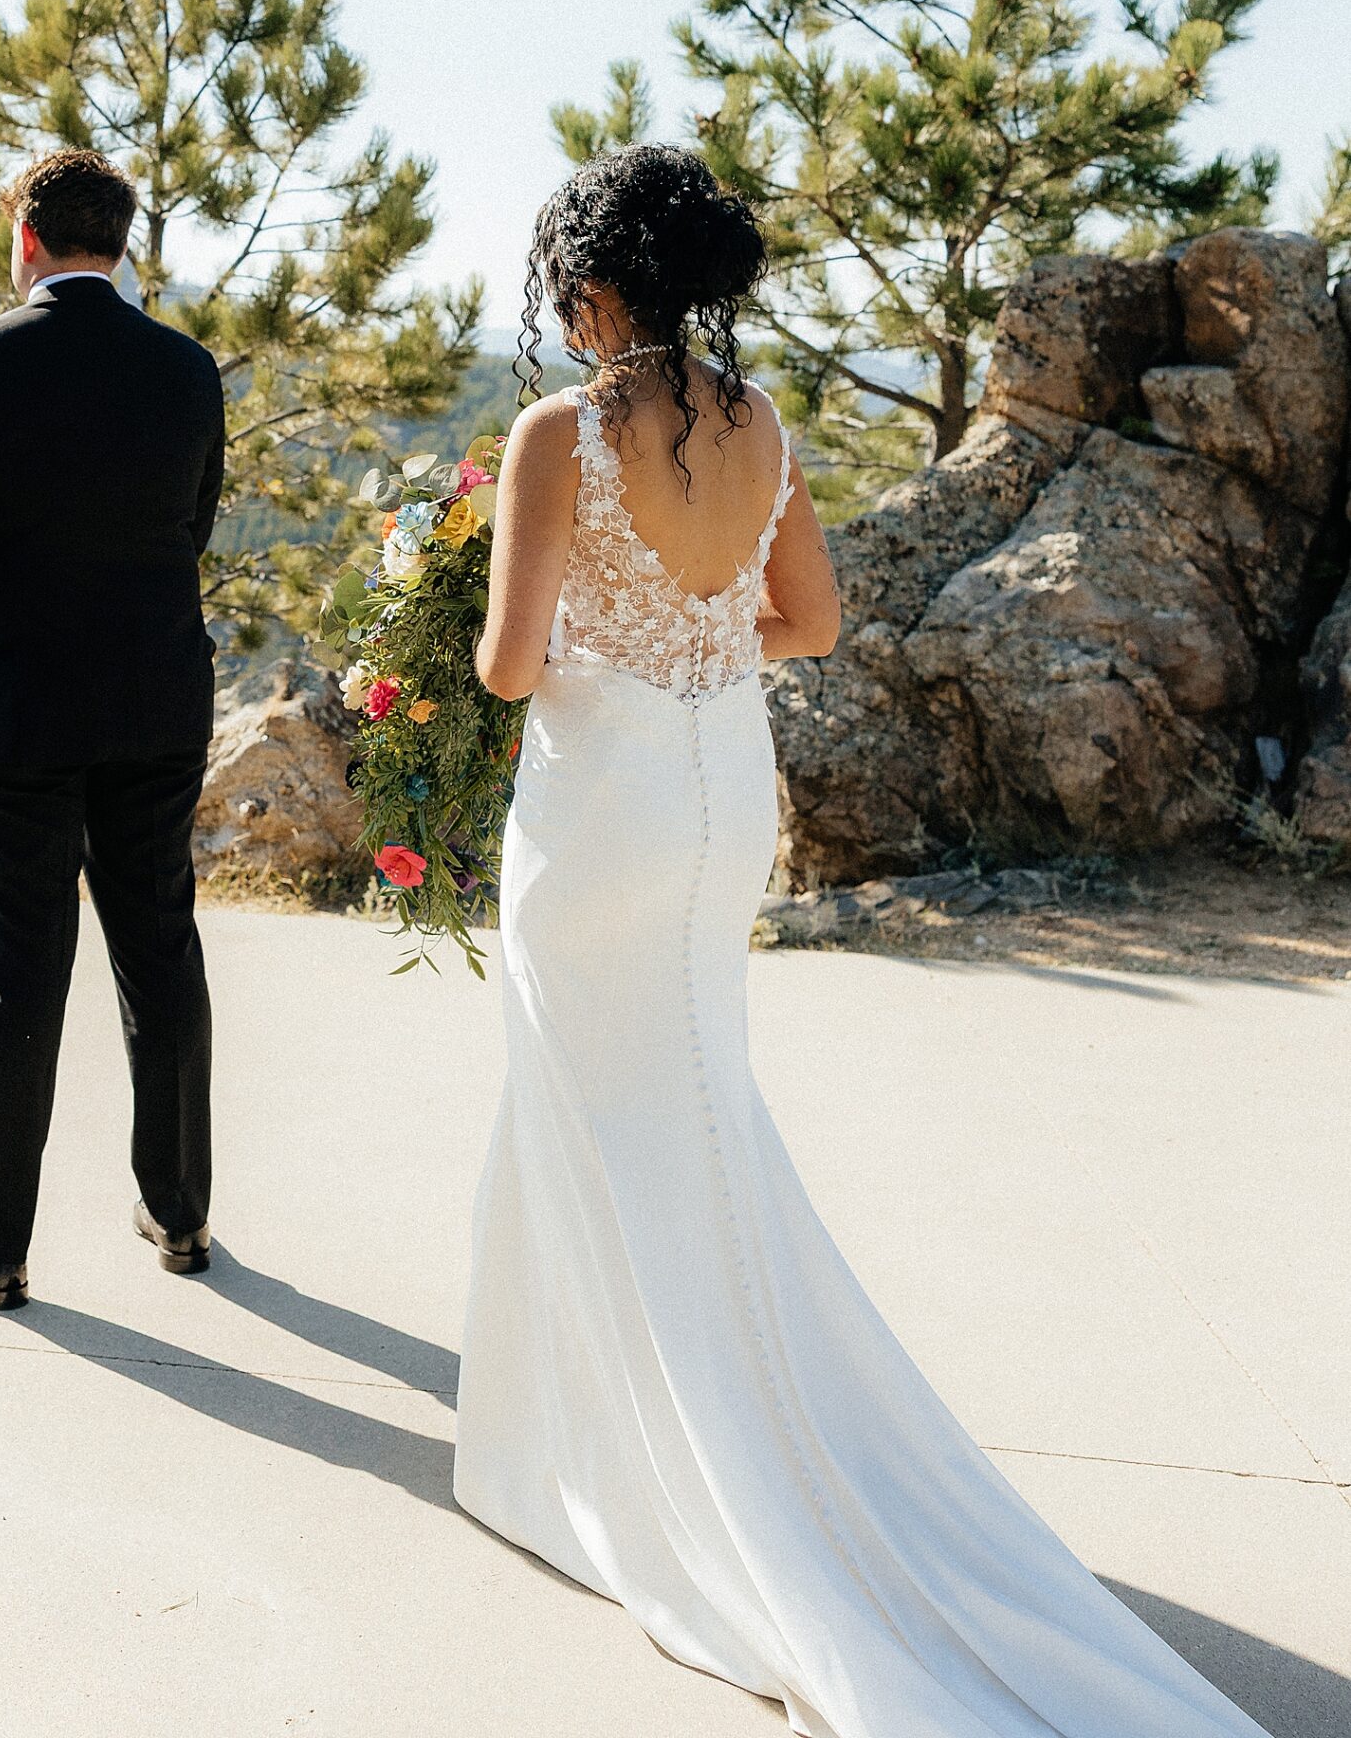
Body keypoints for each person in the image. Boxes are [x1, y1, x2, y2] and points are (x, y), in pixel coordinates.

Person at [454, 144, 1267, 1736]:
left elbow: (502, 666)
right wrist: (689, 636)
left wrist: (579, 639)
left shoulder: (562, 433)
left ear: (600, 285)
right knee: (693, 1102)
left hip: (604, 799)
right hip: (717, 788)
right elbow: (810, 621)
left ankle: (606, 1453)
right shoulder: (758, 425)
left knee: (592, 1113)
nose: (561, 315)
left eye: (565, 287)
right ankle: (702, 1412)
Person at [0, 148, 226, 1310]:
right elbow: (191, 526)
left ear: (24, 234)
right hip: (158, 699)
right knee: (159, 943)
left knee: (23, 960)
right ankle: (179, 1212)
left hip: (20, 705)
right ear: (120, 241)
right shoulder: (186, 371)